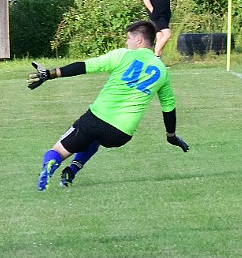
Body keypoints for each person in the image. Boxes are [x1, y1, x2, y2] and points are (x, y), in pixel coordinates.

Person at [28, 19, 190, 191]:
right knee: (94, 140)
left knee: (59, 150)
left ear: (139, 40)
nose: (127, 42)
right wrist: (171, 136)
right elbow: (168, 107)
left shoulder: (122, 55)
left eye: (129, 38)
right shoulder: (162, 71)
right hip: (121, 133)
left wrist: (51, 74)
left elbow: (85, 66)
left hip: (96, 118)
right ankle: (72, 170)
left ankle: (51, 164)